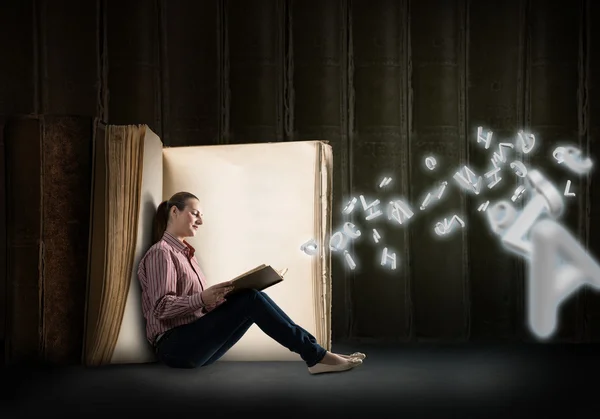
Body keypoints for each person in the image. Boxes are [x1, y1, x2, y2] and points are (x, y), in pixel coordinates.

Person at [137, 191, 366, 374]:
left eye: (202, 216)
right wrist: (202, 298)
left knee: (248, 296)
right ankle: (317, 356)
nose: (200, 221)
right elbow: (160, 308)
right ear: (175, 212)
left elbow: (193, 308)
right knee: (249, 300)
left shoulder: (188, 256)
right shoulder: (161, 253)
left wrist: (216, 299)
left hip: (192, 346)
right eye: (195, 213)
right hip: (174, 348)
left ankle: (317, 353)